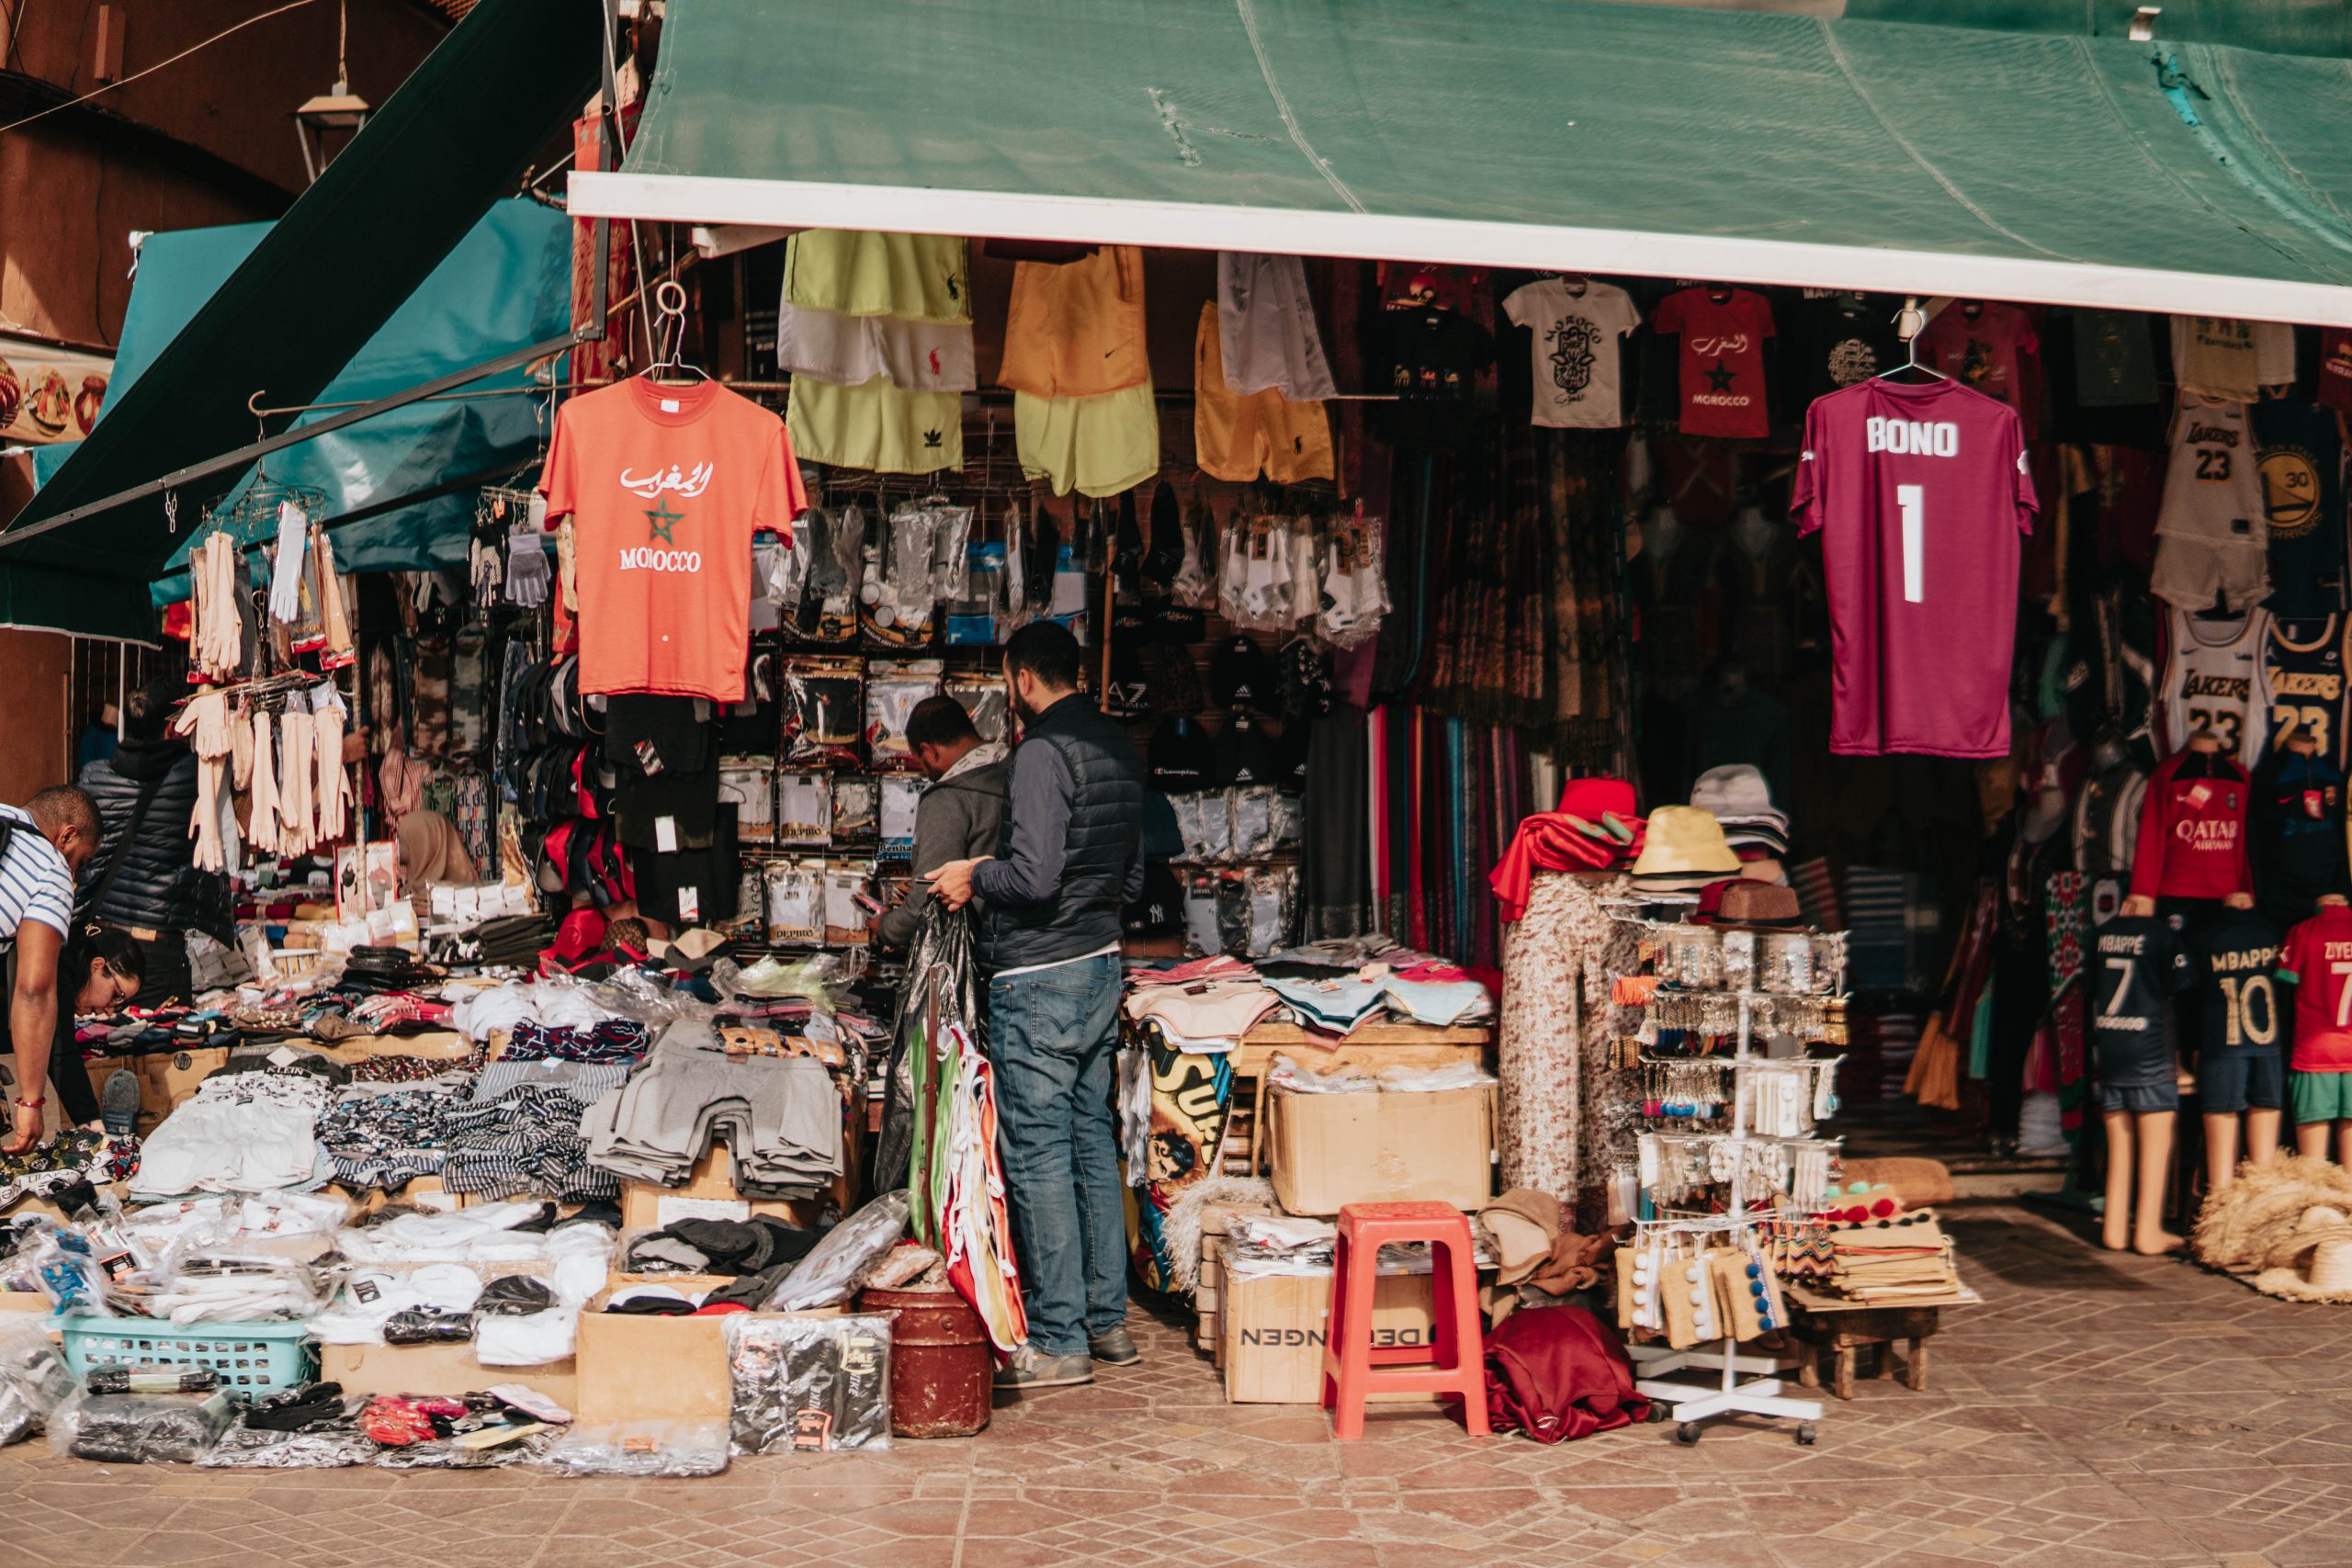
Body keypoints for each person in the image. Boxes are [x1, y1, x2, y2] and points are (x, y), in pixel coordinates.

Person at [932, 621, 1146, 1391]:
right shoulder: (1119, 747)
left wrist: (973, 872)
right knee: (1092, 1141)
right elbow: (1129, 879)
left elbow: (1034, 877)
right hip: (1099, 965)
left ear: (1020, 679)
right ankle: (1106, 1321)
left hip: (1039, 975)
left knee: (1040, 1151)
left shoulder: (1038, 756)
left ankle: (1060, 1338)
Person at [77, 679, 230, 1004]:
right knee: (164, 1049)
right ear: (173, 727)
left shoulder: (93, 776)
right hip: (156, 951)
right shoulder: (194, 776)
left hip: (104, 946)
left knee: (101, 1047)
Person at [0, 786, 104, 1154]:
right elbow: (34, 991)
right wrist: (31, 1101)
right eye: (81, 860)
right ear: (68, 835)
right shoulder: (51, 869)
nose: (75, 872)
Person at [873, 696, 1008, 949]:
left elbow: (927, 897)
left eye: (921, 763)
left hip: (972, 954)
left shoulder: (947, 798)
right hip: (1020, 945)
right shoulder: (1018, 769)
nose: (926, 773)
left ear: (930, 750)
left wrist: (885, 926)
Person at [43, 925, 144, 1131]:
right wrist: (90, 1120)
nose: (108, 1011)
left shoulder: (62, 962)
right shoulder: (55, 967)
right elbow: (60, 1048)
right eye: (117, 995)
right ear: (97, 966)